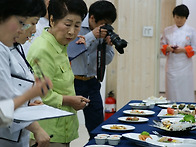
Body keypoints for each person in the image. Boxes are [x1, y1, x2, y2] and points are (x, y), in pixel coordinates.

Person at [27, 0, 89, 146]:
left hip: (62, 129)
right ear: (52, 20)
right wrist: (69, 100)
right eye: (67, 25)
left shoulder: (60, 44)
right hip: (47, 134)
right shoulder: (43, 49)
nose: (72, 32)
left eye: (77, 25)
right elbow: (40, 94)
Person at [0, 0, 53, 146]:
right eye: (22, 23)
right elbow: (2, 112)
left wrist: (29, 103)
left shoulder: (14, 46)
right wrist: (28, 96)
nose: (33, 30)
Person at [70, 0, 117, 138]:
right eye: (102, 23)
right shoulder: (76, 25)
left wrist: (108, 45)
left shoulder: (104, 31)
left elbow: (107, 60)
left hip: (92, 82)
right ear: (91, 18)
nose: (104, 27)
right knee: (66, 122)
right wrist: (92, 36)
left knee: (97, 127)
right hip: (73, 81)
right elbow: (71, 51)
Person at [161, 4, 196, 102]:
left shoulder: (191, 31)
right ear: (174, 17)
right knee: (172, 93)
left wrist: (184, 50)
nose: (179, 20)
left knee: (185, 92)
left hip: (185, 67)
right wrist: (168, 48)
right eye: (177, 17)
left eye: (182, 18)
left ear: (186, 18)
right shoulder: (167, 30)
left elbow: (195, 48)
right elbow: (162, 45)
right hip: (172, 66)